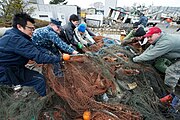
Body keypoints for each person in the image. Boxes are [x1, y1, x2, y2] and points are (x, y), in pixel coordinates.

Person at [0, 12, 63, 97]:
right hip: (5, 71)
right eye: (30, 29)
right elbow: (39, 57)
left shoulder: (14, 34)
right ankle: (47, 100)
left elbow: (35, 48)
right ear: (19, 27)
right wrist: (60, 58)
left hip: (14, 67)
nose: (33, 31)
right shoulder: (17, 40)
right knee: (39, 80)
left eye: (34, 29)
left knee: (38, 78)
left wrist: (50, 55)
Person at [132, 26, 180, 111]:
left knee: (171, 71)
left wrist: (134, 59)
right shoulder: (158, 40)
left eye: (150, 36)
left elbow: (152, 54)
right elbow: (150, 50)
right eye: (147, 37)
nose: (148, 38)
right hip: (177, 57)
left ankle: (171, 94)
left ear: (158, 34)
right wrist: (139, 57)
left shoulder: (166, 42)